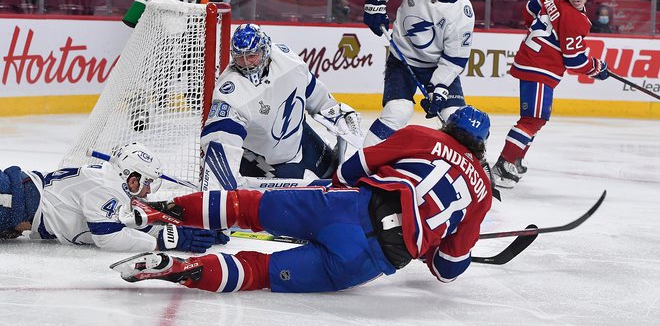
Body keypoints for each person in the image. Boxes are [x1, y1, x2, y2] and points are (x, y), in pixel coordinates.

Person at [110, 106, 494, 293]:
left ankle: (160, 210)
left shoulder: (424, 137)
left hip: (349, 207)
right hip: (367, 260)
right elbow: (447, 270)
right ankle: (185, 270)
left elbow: (354, 166)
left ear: (448, 126)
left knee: (247, 206)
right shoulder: (481, 195)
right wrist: (427, 247)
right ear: (479, 149)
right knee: (260, 272)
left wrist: (334, 197)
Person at [199, 23, 363, 191]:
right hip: (268, 161)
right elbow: (219, 141)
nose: (247, 64)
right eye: (240, 57)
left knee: (334, 175)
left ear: (265, 49)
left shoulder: (288, 60)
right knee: (304, 205)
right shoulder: (230, 92)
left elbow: (315, 95)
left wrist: (336, 112)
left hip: (301, 138)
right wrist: (218, 180)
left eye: (252, 56)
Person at [491, 0, 610, 188]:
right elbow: (574, 61)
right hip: (540, 67)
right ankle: (503, 166)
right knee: (532, 120)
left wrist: (532, 25)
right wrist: (596, 68)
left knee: (535, 119)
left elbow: (529, 8)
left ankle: (514, 159)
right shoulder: (576, 19)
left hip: (534, 62)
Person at [0, 142, 227, 252]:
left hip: (15, 201)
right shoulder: (105, 187)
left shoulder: (109, 180)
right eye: (147, 183)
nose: (148, 191)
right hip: (11, 200)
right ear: (133, 179)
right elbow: (107, 237)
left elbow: (125, 221)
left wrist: (181, 226)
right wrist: (165, 240)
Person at [362, 0, 475, 146]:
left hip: (436, 65)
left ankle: (460, 166)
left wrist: (438, 87)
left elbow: (455, 59)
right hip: (401, 59)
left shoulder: (462, 13)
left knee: (455, 118)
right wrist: (375, 2)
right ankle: (362, 159)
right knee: (398, 111)